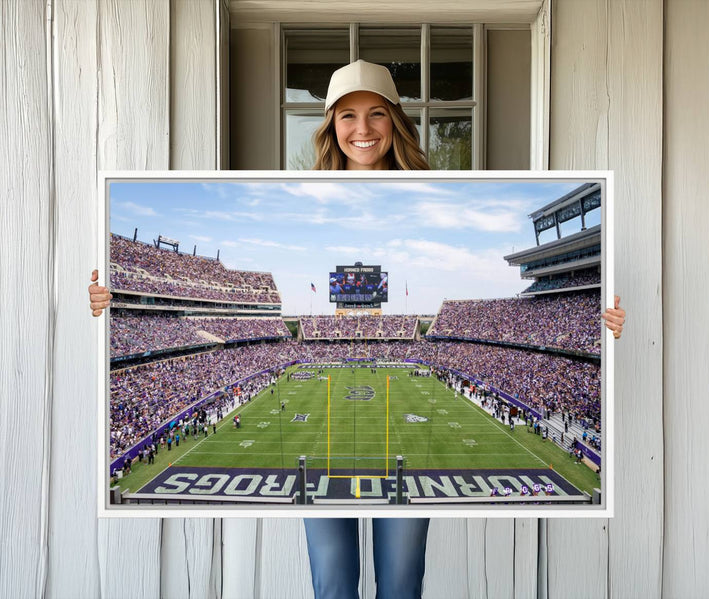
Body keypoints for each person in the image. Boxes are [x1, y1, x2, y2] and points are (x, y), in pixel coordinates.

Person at [88, 59, 627, 599]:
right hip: (322, 472)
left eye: (376, 114)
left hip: (399, 471)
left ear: (395, 120)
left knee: (400, 583)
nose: (362, 129)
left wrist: (602, 325)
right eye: (347, 116)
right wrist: (112, 305)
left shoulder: (433, 192)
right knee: (333, 584)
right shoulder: (305, 191)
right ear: (330, 126)